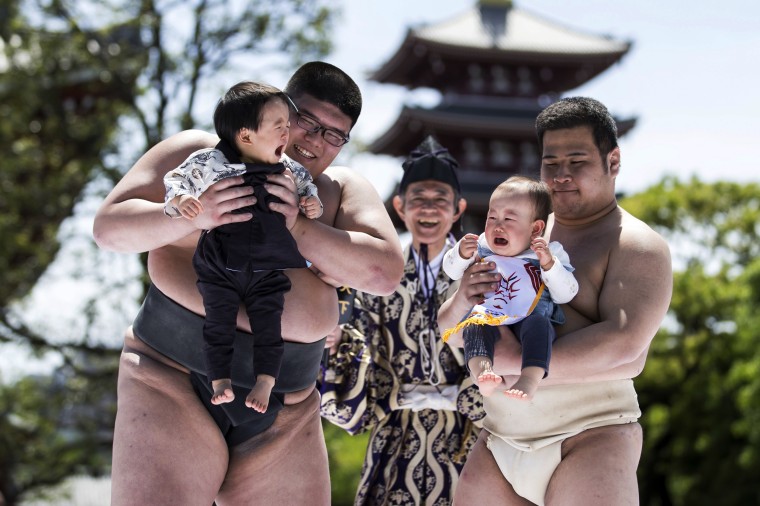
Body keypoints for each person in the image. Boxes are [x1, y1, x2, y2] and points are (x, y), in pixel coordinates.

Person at [93, 61, 405, 506]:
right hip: (171, 378)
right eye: (306, 121)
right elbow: (108, 228)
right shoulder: (200, 155)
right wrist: (193, 214)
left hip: (286, 411)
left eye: (333, 134)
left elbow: (384, 272)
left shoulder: (337, 192)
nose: (314, 141)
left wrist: (301, 229)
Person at [438, 97, 672, 506]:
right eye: (551, 163)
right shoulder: (513, 234)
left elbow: (625, 346)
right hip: (500, 436)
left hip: (591, 434)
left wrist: (510, 363)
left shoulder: (637, 245)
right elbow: (448, 327)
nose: (561, 175)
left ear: (612, 161)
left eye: (577, 161)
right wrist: (465, 296)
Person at [319, 136, 485, 506]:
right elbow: (357, 339)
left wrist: (468, 397)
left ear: (457, 208)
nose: (429, 209)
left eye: (440, 199)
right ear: (400, 205)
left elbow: (499, 343)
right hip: (395, 435)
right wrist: (338, 339)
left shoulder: (483, 272)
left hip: (466, 436)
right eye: (418, 199)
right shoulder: (376, 273)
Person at [164, 81, 323, 412]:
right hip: (219, 261)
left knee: (270, 323)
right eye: (278, 125)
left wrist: (312, 203)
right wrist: (181, 200)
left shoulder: (289, 169)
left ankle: (266, 381)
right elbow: (177, 179)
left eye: (287, 124)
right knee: (217, 322)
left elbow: (308, 185)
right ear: (246, 136)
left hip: (267, 264)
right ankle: (219, 379)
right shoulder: (211, 161)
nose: (287, 132)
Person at [441, 175, 578, 400]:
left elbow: (567, 294)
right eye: (492, 216)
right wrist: (460, 254)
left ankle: (530, 378)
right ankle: (481, 372)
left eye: (509, 219)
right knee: (474, 325)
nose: (497, 226)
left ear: (535, 229)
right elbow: (452, 271)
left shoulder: (548, 252)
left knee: (540, 326)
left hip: (530, 314)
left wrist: (549, 265)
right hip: (489, 312)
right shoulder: (482, 245)